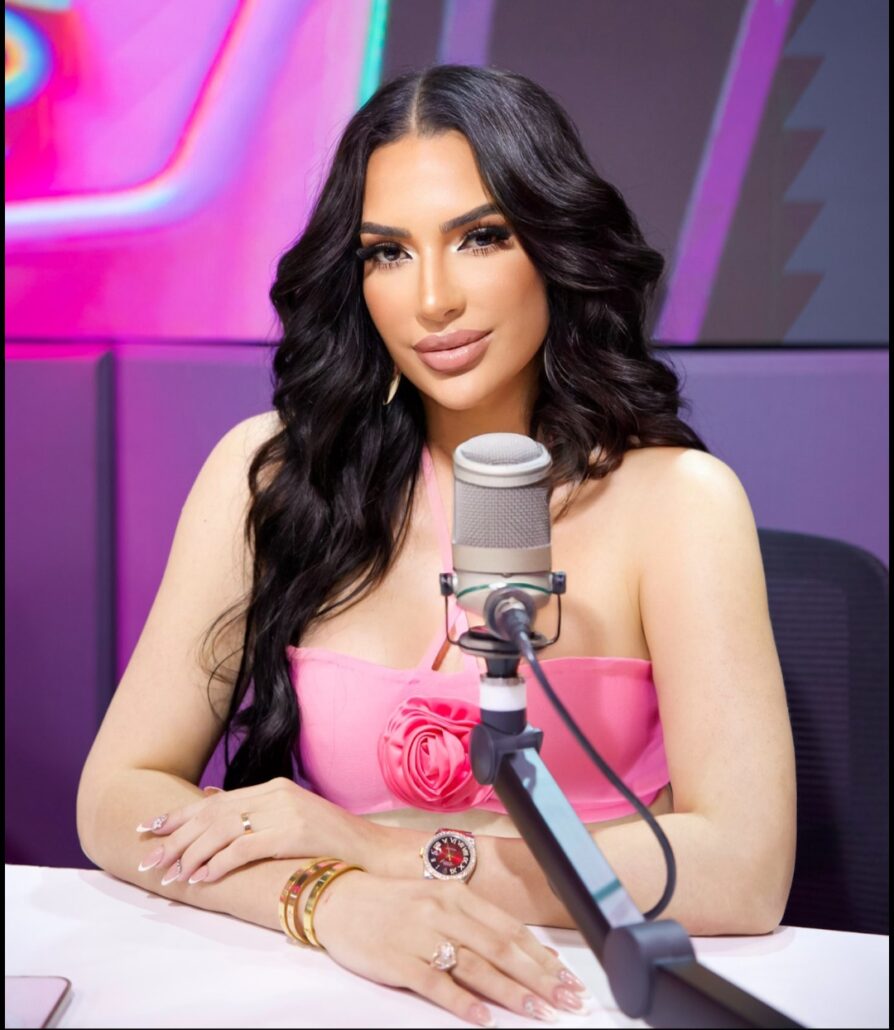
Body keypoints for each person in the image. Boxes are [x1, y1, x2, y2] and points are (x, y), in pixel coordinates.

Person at [77, 64, 796, 1027]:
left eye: (481, 238)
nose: (433, 299)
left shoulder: (678, 504)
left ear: (554, 246)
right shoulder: (274, 476)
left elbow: (743, 872)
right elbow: (115, 800)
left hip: (582, 995)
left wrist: (375, 851)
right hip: (342, 993)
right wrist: (333, 902)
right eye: (388, 253)